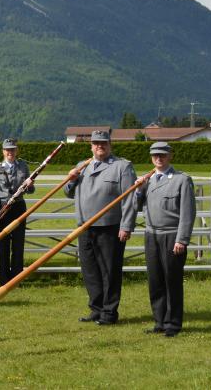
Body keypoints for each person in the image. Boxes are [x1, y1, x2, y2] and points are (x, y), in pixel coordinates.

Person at [65, 130, 138, 326]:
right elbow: (68, 193)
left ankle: (109, 312)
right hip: (85, 226)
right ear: (91, 146)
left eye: (103, 143)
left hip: (110, 227)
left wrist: (127, 226)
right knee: (90, 270)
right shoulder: (83, 166)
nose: (100, 146)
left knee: (109, 271)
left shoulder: (122, 167)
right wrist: (71, 180)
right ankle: (96, 309)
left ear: (110, 145)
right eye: (96, 143)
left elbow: (130, 199)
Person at [134, 142, 196, 338]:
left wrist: (182, 239)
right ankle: (159, 320)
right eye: (155, 156)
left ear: (170, 156)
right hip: (152, 235)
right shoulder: (148, 180)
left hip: (172, 235)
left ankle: (173, 323)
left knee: (172, 280)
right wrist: (138, 189)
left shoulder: (181, 180)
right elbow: (136, 207)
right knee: (155, 280)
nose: (158, 158)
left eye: (162, 155)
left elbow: (188, 213)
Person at [0, 138, 34, 285]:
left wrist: (30, 184)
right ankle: (4, 279)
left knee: (18, 243)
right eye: (8, 150)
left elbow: (31, 190)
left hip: (19, 207)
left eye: (13, 149)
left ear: (17, 151)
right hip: (2, 208)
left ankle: (16, 279)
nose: (10, 152)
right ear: (3, 151)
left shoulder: (23, 166)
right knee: (3, 244)